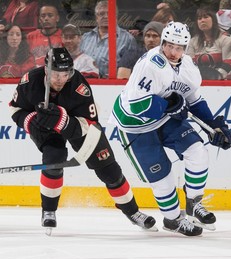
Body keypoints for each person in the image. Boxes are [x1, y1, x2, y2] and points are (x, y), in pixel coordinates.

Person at [8, 47, 156, 233]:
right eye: (56, 74)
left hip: (80, 128)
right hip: (46, 128)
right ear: (46, 69)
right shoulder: (30, 81)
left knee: (110, 171)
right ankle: (48, 211)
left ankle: (133, 213)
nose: (61, 79)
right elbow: (15, 109)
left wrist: (62, 121)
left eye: (65, 74)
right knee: (54, 159)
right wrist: (31, 121)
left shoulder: (79, 86)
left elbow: (90, 122)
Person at [109, 22, 231, 236]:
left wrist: (213, 126)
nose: (174, 52)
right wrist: (168, 105)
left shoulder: (188, 67)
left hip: (165, 119)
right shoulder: (150, 64)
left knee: (197, 151)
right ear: (163, 43)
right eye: (170, 46)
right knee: (163, 180)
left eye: (179, 48)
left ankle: (194, 203)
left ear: (185, 48)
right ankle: (173, 219)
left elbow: (193, 99)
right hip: (135, 126)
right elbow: (136, 105)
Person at [80, 0, 138, 78]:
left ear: (116, 16)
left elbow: (131, 71)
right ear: (96, 17)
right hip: (85, 84)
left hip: (111, 87)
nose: (106, 16)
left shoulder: (128, 39)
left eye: (109, 13)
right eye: (101, 14)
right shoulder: (85, 38)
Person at [187, 7, 231, 79]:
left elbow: (229, 64)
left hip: (223, 82)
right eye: (199, 18)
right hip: (198, 80)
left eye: (206, 17)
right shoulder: (192, 41)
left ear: (214, 19)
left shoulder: (227, 39)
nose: (202, 20)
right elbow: (189, 64)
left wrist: (215, 77)